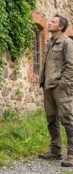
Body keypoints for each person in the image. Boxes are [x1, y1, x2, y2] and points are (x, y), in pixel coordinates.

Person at [39, 14, 73, 167]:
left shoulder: (67, 43)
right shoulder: (49, 42)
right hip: (48, 87)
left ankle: (72, 154)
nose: (49, 22)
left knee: (67, 120)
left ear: (60, 27)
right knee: (52, 119)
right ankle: (55, 150)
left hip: (61, 88)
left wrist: (63, 85)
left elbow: (70, 66)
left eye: (53, 21)